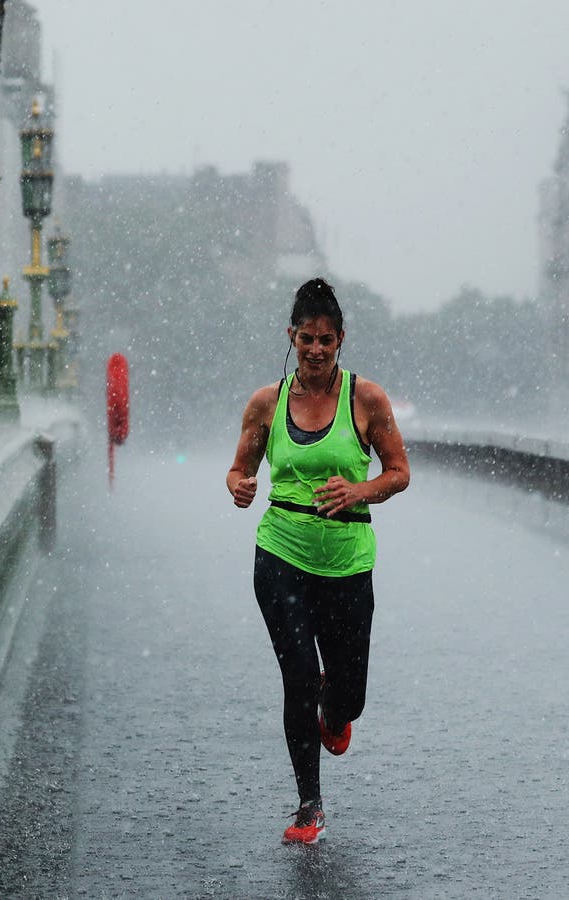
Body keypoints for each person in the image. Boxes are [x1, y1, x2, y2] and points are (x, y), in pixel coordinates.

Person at [226, 277, 411, 845]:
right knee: (299, 677)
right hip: (281, 553)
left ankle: (337, 709)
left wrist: (359, 492)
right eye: (306, 339)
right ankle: (309, 805)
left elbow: (399, 472)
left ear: (340, 341)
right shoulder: (266, 402)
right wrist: (240, 485)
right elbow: (239, 467)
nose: (315, 351)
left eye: (326, 340)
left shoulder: (367, 400)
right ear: (292, 336)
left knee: (347, 695)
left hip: (348, 564)